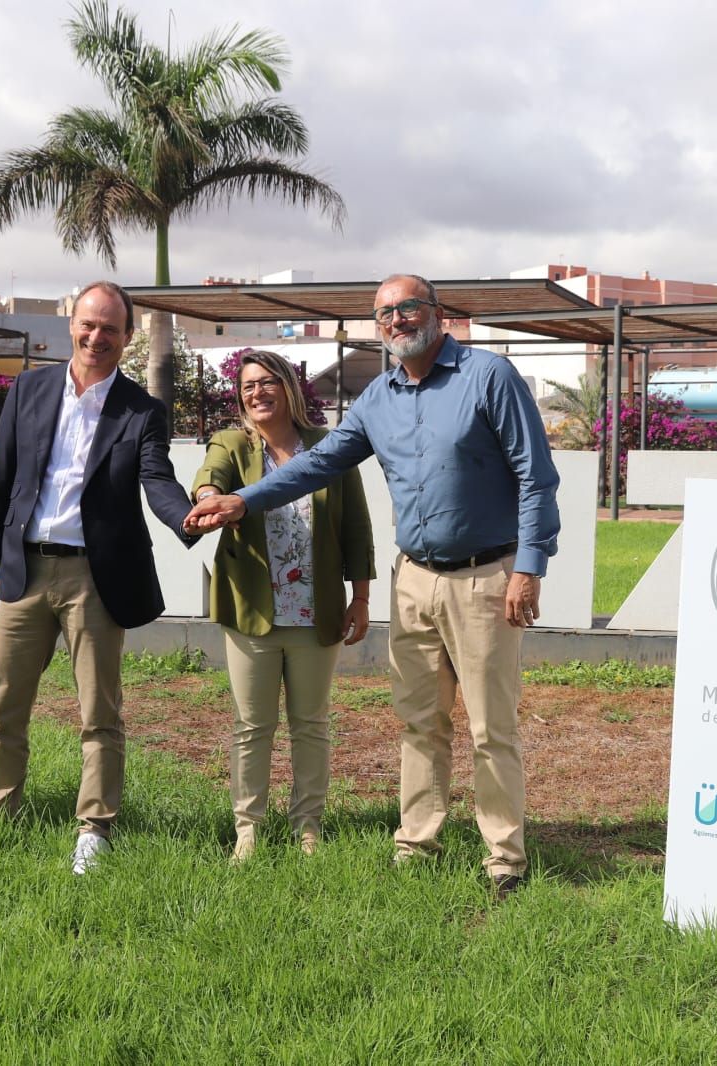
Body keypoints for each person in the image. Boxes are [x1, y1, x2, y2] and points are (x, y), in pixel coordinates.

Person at [185, 274, 561, 899]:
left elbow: (535, 476)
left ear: (437, 313)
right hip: (412, 580)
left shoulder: (488, 377)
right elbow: (316, 464)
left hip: (485, 578)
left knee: (491, 726)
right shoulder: (377, 397)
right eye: (384, 312)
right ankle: (417, 842)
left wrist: (529, 566)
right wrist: (241, 503)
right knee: (419, 721)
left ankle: (504, 858)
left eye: (408, 307)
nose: (396, 320)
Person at [0, 280, 196, 875]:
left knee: (100, 712)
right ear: (71, 323)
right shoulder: (29, 388)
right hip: (24, 571)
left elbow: (157, 479)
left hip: (97, 578)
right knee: (4, 706)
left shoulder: (142, 410)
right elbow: (0, 482)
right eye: (89, 325)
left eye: (111, 330)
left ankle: (94, 828)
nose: (97, 338)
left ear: (127, 337)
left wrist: (189, 515)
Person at [192, 350, 375, 863]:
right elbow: (211, 474)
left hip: (316, 612)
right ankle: (247, 829)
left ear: (290, 388)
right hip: (252, 609)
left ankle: (307, 827)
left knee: (311, 723)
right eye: (248, 386)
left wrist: (360, 597)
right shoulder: (233, 442)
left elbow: (356, 526)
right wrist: (209, 497)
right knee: (252, 726)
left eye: (267, 382)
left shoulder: (328, 447)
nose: (257, 393)